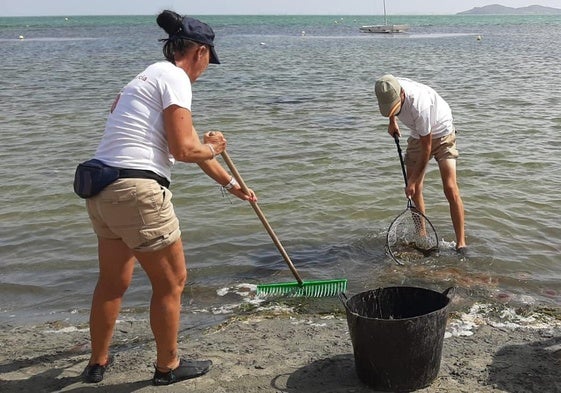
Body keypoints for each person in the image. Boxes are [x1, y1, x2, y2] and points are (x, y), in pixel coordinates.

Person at [79, 10, 257, 386]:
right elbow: (188, 149)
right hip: (138, 192)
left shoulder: (146, 78)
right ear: (200, 52)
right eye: (208, 59)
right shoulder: (176, 77)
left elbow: (183, 147)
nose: (206, 67)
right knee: (172, 282)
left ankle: (97, 363)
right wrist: (214, 147)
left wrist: (230, 185)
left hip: (102, 190)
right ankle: (168, 366)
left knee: (111, 283)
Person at [374, 74, 466, 251]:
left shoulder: (419, 105)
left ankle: (461, 243)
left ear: (402, 95)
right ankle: (422, 235)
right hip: (418, 135)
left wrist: (414, 181)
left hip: (442, 131)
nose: (392, 110)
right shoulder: (387, 85)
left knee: (450, 188)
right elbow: (390, 103)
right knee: (414, 191)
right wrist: (392, 120)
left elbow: (427, 149)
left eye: (394, 108)